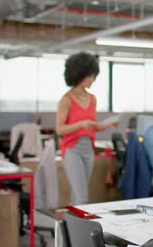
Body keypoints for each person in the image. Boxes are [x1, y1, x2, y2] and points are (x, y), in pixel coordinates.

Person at [56, 52, 117, 205]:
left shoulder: (92, 98)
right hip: (72, 149)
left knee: (78, 195)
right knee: (82, 196)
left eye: (94, 76)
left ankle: (70, 226)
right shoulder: (66, 100)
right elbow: (59, 129)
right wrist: (81, 124)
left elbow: (93, 127)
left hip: (88, 149)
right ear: (80, 74)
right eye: (90, 76)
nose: (93, 79)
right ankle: (80, 228)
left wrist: (109, 123)